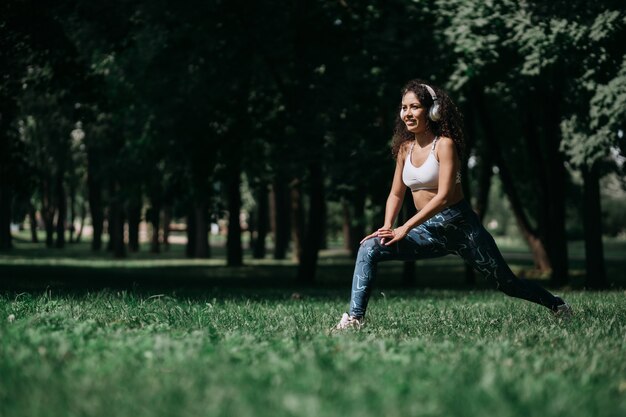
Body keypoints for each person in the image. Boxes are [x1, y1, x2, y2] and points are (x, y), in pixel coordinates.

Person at [334, 79, 572, 330]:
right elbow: (396, 193)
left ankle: (557, 305)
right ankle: (354, 319)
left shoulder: (444, 145)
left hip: (462, 229)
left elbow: (444, 196)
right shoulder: (404, 149)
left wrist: (405, 227)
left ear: (433, 110)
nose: (407, 113)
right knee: (369, 247)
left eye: (414, 107)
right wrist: (387, 226)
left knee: (508, 284)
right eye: (404, 108)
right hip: (428, 232)